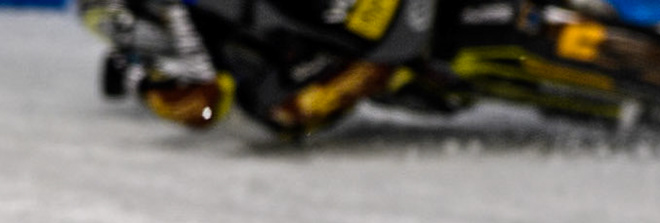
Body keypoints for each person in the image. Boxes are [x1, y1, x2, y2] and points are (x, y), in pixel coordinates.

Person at [79, 0, 447, 138]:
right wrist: (139, 80)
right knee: (276, 110)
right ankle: (385, 66)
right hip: (301, 64)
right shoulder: (176, 20)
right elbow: (207, 106)